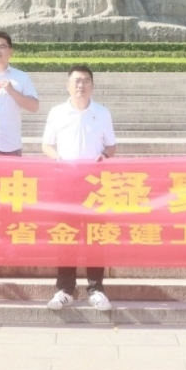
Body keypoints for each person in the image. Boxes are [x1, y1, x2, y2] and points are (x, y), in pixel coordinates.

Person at [41, 65, 116, 311]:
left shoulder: (102, 113)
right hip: (65, 183)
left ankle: (96, 289)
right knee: (66, 235)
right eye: (76, 81)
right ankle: (64, 289)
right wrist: (59, 160)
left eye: (85, 81)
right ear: (68, 86)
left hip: (95, 185)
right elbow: (46, 145)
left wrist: (104, 156)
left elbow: (111, 147)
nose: (80, 85)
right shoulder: (57, 112)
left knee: (95, 236)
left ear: (92, 86)